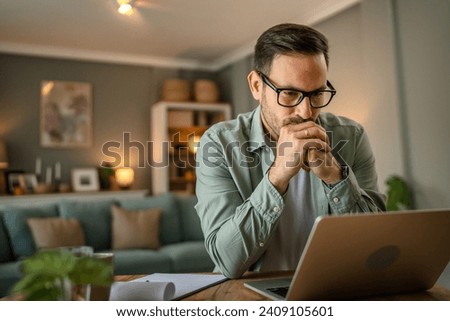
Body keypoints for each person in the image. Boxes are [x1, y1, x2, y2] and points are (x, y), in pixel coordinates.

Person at [195, 23, 386, 279]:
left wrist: (335, 177)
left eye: (317, 94)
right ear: (256, 85)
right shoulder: (218, 143)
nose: (306, 112)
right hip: (250, 295)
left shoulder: (351, 136)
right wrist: (277, 176)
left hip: (332, 288)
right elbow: (228, 262)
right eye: (289, 93)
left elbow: (375, 246)